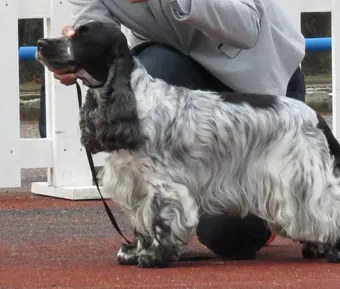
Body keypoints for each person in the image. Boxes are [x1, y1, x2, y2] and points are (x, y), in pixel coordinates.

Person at [47, 0, 306, 260]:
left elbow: (248, 27)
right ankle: (160, 219)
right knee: (156, 64)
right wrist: (78, 58)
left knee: (236, 237)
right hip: (179, 78)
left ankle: (269, 207)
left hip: (258, 87)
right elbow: (98, 35)